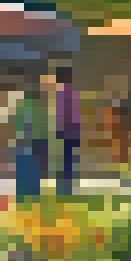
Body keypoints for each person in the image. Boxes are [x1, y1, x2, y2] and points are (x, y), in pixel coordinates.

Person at [8, 78, 49, 199]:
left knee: (29, 167)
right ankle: (29, 194)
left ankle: (28, 194)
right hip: (27, 142)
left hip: (28, 142)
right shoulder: (35, 105)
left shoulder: (30, 105)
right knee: (28, 167)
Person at [53, 66, 82, 196]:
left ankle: (64, 188)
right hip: (72, 130)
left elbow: (60, 114)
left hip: (65, 130)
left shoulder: (60, 92)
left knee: (64, 160)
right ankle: (68, 187)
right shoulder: (74, 91)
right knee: (69, 160)